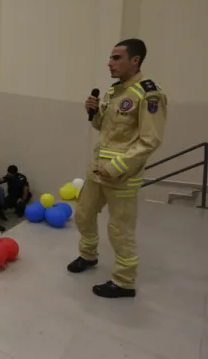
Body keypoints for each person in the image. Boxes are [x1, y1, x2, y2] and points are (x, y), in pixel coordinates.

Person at [69, 38, 167, 298]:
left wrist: (115, 167)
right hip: (97, 172)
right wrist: (94, 114)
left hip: (122, 177)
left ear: (134, 61)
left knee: (119, 229)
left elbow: (150, 140)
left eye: (116, 58)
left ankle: (124, 281)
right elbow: (105, 129)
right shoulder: (114, 92)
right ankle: (88, 256)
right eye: (110, 58)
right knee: (83, 214)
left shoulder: (149, 94)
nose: (109, 63)